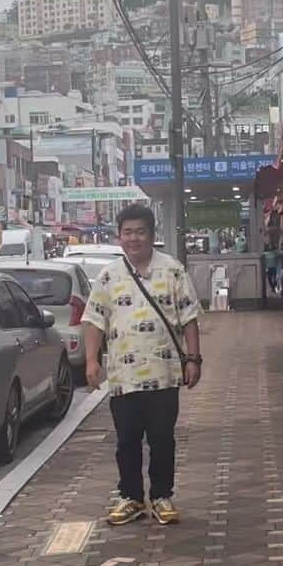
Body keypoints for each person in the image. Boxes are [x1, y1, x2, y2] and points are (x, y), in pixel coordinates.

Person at [82, 203, 202, 527]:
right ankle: (131, 497)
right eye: (127, 232)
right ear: (119, 236)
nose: (133, 238)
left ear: (151, 235)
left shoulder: (173, 270)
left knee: (162, 438)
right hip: (124, 377)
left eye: (140, 232)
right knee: (126, 441)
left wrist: (194, 359)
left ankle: (162, 496)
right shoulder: (108, 276)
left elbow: (189, 318)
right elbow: (94, 321)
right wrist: (92, 361)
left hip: (164, 375)